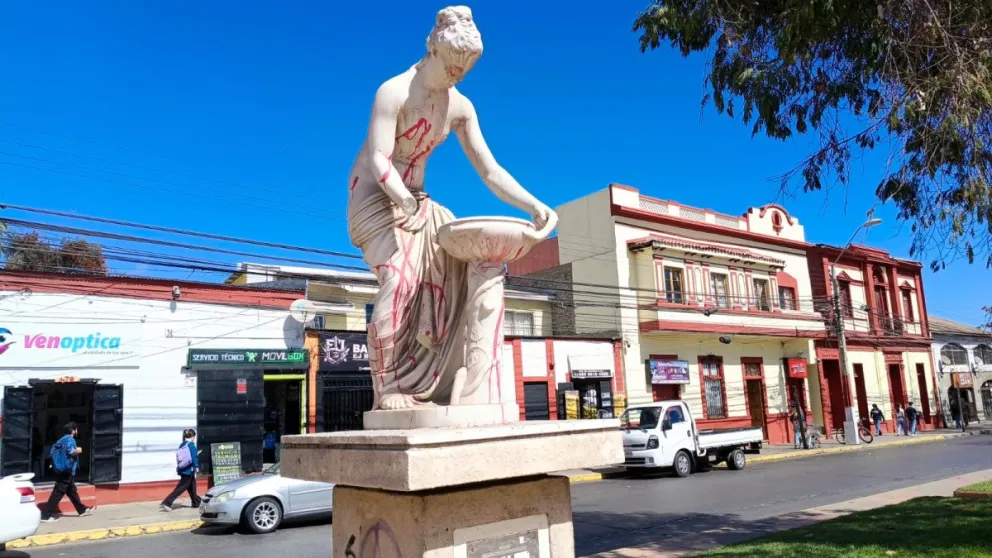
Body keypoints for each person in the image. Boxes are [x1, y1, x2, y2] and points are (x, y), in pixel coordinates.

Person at [347, 6, 556, 410]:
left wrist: (534, 204)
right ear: (432, 48)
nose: (455, 77)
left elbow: (490, 170)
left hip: (417, 205)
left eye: (463, 71)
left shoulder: (460, 107)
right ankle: (388, 386)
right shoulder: (394, 91)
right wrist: (402, 198)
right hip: (374, 201)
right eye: (451, 67)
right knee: (400, 281)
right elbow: (378, 158)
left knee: (462, 264)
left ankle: (454, 382)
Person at [41, 422, 93, 522]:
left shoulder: (61, 439)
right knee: (58, 492)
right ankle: (46, 515)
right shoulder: (70, 439)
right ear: (73, 430)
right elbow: (71, 451)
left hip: (62, 469)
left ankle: (82, 510)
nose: (77, 431)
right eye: (76, 429)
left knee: (71, 491)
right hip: (66, 470)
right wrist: (79, 450)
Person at [161, 429, 200, 512]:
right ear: (193, 436)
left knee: (192, 487)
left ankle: (196, 502)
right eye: (194, 437)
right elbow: (194, 457)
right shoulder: (191, 445)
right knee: (180, 488)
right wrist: (196, 466)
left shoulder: (182, 444)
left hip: (183, 469)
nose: (194, 438)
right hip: (189, 470)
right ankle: (167, 502)